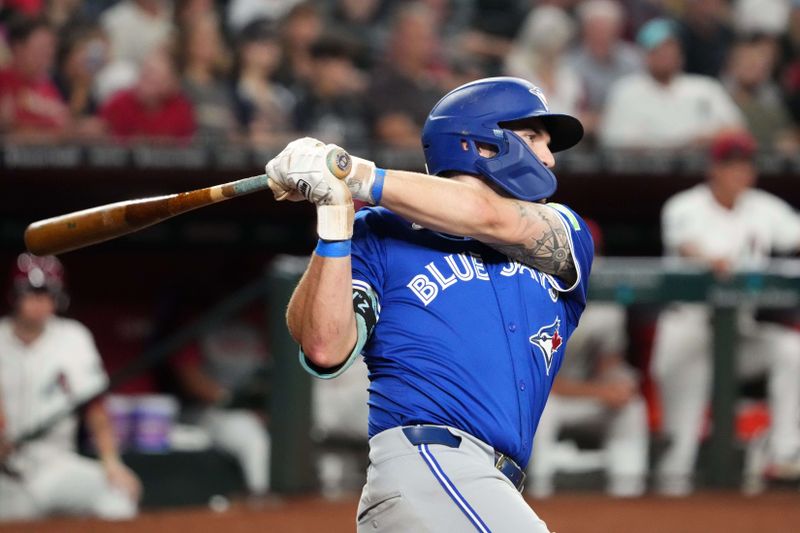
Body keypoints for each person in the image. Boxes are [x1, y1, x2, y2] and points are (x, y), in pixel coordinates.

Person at [265, 76, 593, 532]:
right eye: (534, 136)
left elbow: (484, 214)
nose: (548, 157)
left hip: (485, 486)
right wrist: (335, 217)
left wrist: (355, 173)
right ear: (480, 144)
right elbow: (324, 347)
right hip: (429, 466)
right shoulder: (378, 232)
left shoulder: (564, 230)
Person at [651, 130, 800, 496]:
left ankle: (784, 451)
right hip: (689, 330)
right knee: (680, 450)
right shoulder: (685, 205)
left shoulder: (765, 208)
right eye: (731, 165)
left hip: (739, 334)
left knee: (791, 350)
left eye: (746, 166)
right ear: (714, 169)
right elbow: (686, 246)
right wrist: (708, 259)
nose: (740, 173)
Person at [0, 254, 140, 521]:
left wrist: (111, 462)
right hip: (7, 473)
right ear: (15, 295)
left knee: (120, 495)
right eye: (31, 293)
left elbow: (95, 405)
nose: (40, 302)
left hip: (56, 463)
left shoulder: (73, 337)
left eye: (47, 294)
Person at [527, 221, 648, 499]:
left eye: (590, 252)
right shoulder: (537, 297)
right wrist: (598, 390)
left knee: (631, 406)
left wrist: (619, 383)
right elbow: (538, 379)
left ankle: (627, 497)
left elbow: (609, 363)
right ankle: (538, 496)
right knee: (542, 410)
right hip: (544, 400)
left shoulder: (606, 304)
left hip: (583, 396)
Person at [600, 18, 743, 150]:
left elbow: (737, 130)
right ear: (646, 55)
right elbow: (614, 139)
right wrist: (674, 145)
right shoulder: (625, 90)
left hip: (700, 167)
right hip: (641, 173)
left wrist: (705, 139)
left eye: (671, 49)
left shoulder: (705, 87)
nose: (666, 56)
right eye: (658, 50)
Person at [172, 319, 271, 498]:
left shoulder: (258, 318)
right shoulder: (198, 323)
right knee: (252, 437)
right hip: (210, 411)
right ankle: (260, 496)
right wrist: (232, 400)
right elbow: (188, 374)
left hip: (255, 408)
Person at [100, 48, 196, 142]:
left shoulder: (181, 109)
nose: (145, 77)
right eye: (144, 71)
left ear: (171, 82)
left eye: (153, 73)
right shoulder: (118, 103)